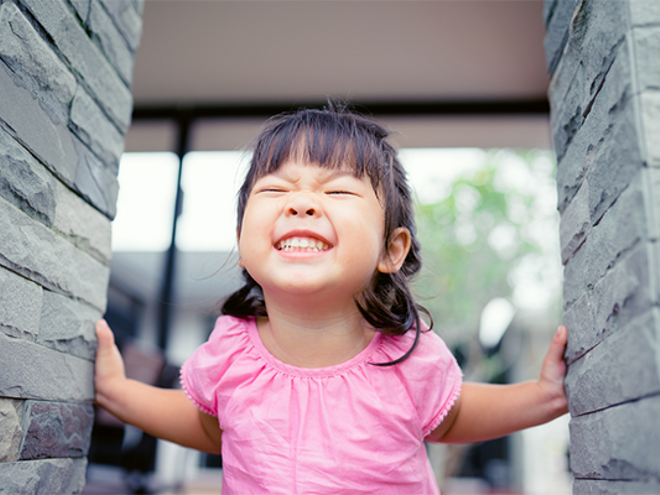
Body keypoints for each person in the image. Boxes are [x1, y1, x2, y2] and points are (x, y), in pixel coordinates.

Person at [95, 105, 568, 494]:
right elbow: (206, 428)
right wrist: (119, 392)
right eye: (276, 189)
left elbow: (456, 414)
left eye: (338, 190)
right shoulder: (231, 351)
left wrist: (543, 397)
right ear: (242, 240)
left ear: (391, 249)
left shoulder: (406, 357)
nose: (300, 203)